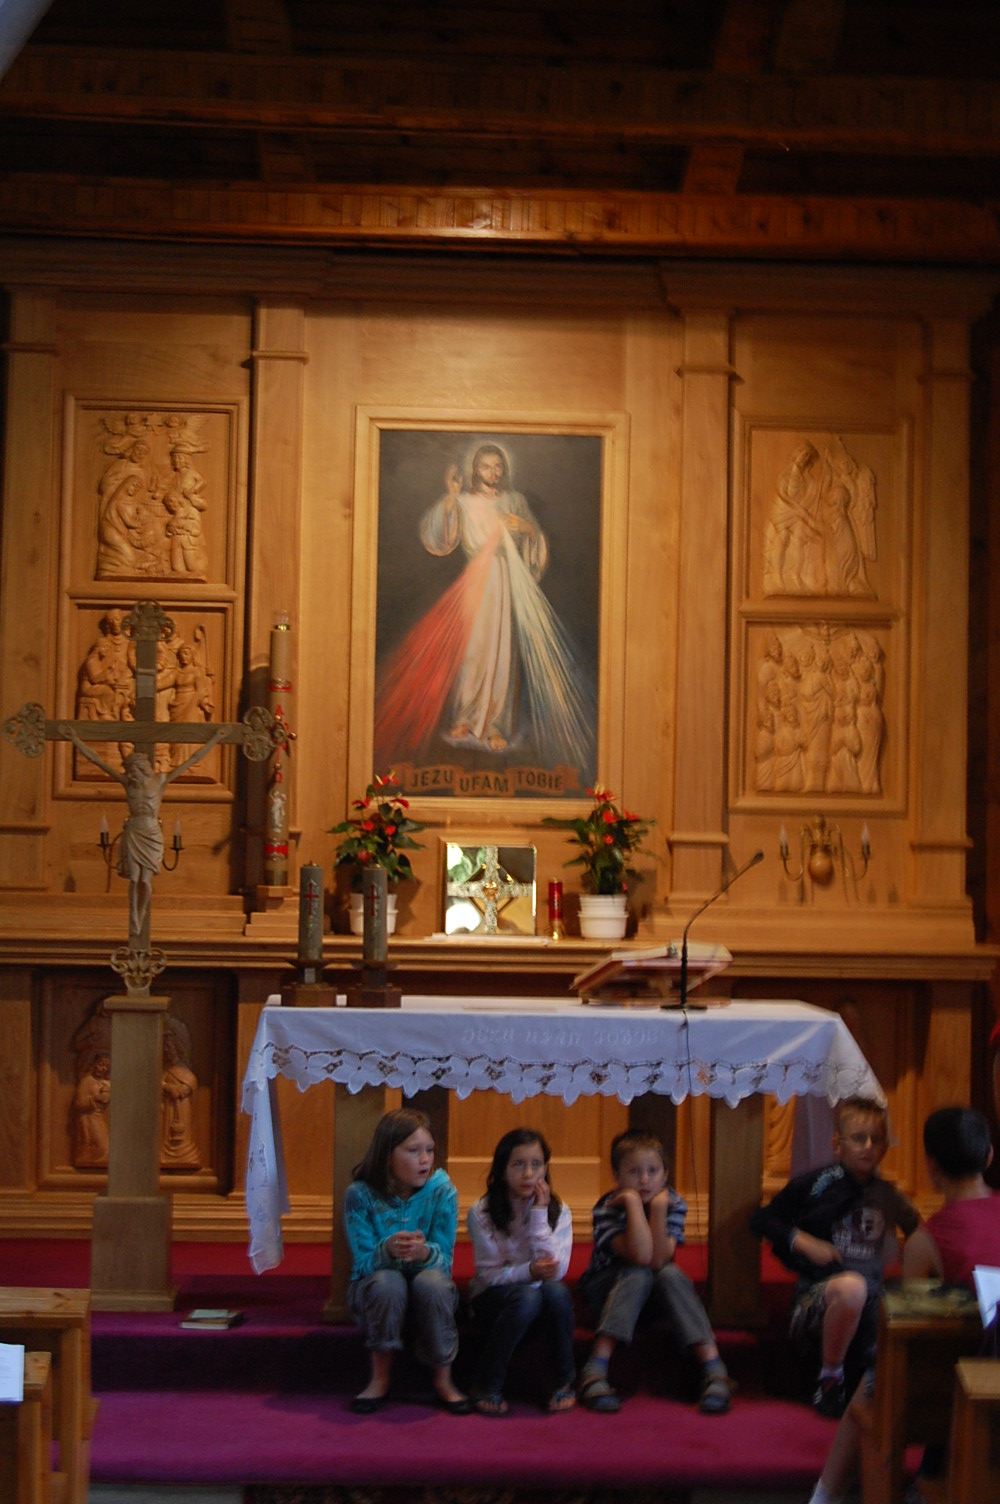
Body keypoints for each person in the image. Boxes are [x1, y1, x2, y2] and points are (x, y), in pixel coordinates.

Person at [806, 1107, 1000, 1504]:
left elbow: (914, 1337)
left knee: (878, 1379)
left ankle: (824, 1498)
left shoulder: (927, 1243)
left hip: (969, 1396)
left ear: (931, 1166)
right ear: (989, 1156)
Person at [374, 441, 593, 772]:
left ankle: (495, 725)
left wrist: (527, 528)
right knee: (473, 651)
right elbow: (440, 539)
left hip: (505, 582)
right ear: (475, 469)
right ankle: (465, 717)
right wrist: (450, 497)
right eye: (486, 466)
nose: (493, 472)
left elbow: (534, 539)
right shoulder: (463, 501)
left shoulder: (514, 501)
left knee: (502, 653)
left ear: (504, 469)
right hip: (475, 582)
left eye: (497, 466)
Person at [751, 1095, 919, 1419]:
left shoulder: (888, 1195)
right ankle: (830, 1379)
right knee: (852, 1287)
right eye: (858, 1138)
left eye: (876, 1140)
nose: (868, 1147)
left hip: (872, 1305)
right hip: (819, 1302)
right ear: (837, 1144)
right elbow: (763, 1220)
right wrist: (802, 1241)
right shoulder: (816, 1185)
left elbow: (921, 1234)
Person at [576, 1129, 732, 1415]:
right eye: (634, 1172)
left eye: (653, 1171)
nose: (645, 1180)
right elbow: (640, 1256)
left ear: (665, 1174)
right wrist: (633, 1204)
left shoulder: (672, 1202)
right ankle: (595, 1369)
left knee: (670, 1274)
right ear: (617, 1176)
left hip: (654, 1295)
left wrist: (659, 1209)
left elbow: (659, 1259)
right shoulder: (607, 1207)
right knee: (638, 1273)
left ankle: (714, 1369)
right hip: (607, 1291)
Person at [343, 1107, 470, 1415]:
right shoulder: (360, 1194)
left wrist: (424, 1253)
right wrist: (387, 1250)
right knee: (388, 1282)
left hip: (427, 1281)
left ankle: (443, 1378)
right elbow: (362, 1265)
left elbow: (445, 1262)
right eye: (414, 1151)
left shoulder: (441, 1191)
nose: (425, 1159)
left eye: (430, 1150)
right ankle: (380, 1377)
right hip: (378, 1286)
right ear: (388, 1155)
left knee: (433, 1283)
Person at [60, 722, 227, 944]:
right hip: (134, 830)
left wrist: (215, 739)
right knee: (134, 878)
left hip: (151, 831)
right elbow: (97, 761)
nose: (131, 773)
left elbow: (192, 759)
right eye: (129, 770)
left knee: (145, 881)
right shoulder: (128, 783)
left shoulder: (160, 780)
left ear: (142, 767)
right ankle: (134, 916)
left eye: (134, 769)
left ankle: (142, 912)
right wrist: (75, 740)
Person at [466, 1127, 576, 1415]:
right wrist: (529, 1272)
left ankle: (563, 1382)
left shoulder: (559, 1210)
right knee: (527, 1297)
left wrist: (539, 1214)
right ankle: (487, 1384)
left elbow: (556, 1270)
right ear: (502, 1169)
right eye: (518, 1164)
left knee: (556, 1292)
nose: (528, 1174)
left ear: (546, 1168)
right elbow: (489, 1275)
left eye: (536, 1165)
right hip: (494, 1299)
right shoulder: (482, 1212)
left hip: (539, 1295)